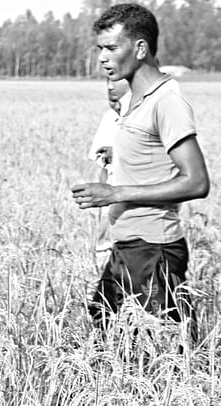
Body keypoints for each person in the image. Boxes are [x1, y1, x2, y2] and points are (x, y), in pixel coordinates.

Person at [70, 3, 210, 330]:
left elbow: (197, 181)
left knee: (160, 353)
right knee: (102, 327)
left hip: (154, 249)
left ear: (140, 48)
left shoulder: (166, 102)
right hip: (128, 246)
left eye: (111, 48)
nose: (102, 58)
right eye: (99, 49)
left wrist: (116, 193)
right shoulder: (135, 102)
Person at [88, 78, 130, 271]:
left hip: (139, 203)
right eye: (108, 83)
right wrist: (100, 208)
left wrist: (119, 153)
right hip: (110, 203)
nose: (110, 88)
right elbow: (103, 170)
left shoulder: (149, 120)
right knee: (105, 253)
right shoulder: (110, 119)